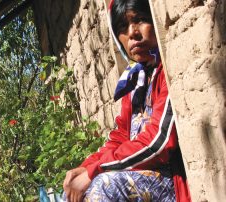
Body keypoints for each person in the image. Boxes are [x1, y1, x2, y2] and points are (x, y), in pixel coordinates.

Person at [62, 0, 191, 201]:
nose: (132, 33)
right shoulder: (135, 82)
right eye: (123, 27)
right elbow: (120, 137)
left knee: (104, 188)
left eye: (139, 20)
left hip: (170, 180)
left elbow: (158, 142)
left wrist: (95, 170)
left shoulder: (166, 70)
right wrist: (85, 167)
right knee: (73, 192)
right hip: (138, 175)